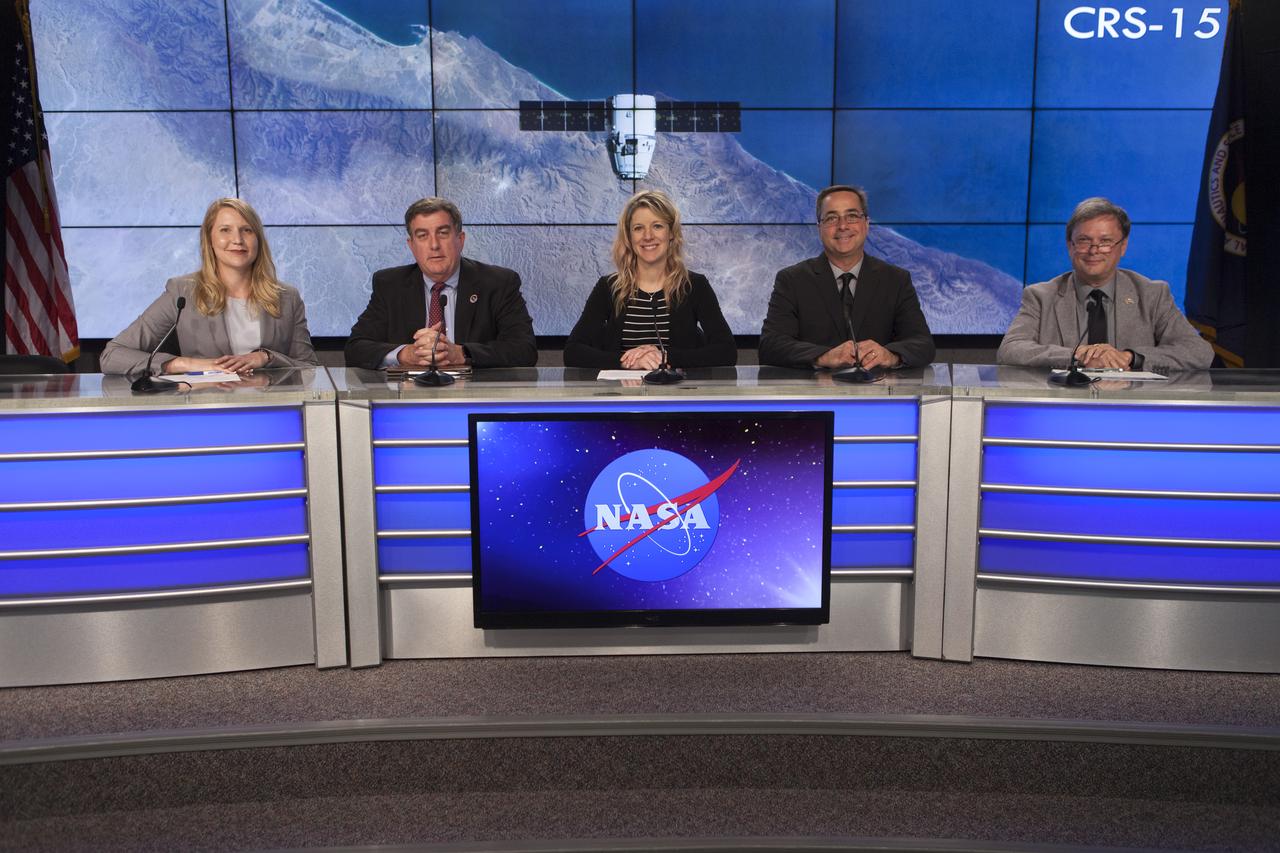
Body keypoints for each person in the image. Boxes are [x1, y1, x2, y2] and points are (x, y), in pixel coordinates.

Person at [101, 198, 317, 376]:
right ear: (210, 240)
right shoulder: (182, 292)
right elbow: (112, 355)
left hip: (272, 413)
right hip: (208, 411)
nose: (237, 239)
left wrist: (265, 358)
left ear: (258, 239)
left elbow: (309, 368)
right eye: (225, 230)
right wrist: (185, 364)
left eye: (247, 230)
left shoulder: (288, 297)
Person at [997, 197, 1212, 372]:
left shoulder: (1152, 294)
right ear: (1070, 246)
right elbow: (1010, 350)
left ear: (1123, 246)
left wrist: (1131, 357)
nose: (1094, 250)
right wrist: (1078, 355)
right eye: (1084, 241)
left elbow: (1198, 351)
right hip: (1062, 409)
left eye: (1106, 242)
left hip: (1132, 410)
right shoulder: (1041, 296)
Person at [344, 197, 537, 370]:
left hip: (475, 398)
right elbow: (356, 349)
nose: (434, 245)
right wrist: (407, 354)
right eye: (422, 236)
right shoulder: (390, 285)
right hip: (409, 401)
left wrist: (460, 354)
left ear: (460, 240)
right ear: (411, 246)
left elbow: (524, 349)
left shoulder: (498, 283)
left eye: (443, 233)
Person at [758, 185, 934, 370]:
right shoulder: (792, 280)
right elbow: (770, 346)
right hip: (814, 396)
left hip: (879, 395)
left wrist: (890, 356)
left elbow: (923, 344)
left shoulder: (896, 280)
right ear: (820, 228)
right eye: (832, 218)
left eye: (852, 216)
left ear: (866, 223)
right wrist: (824, 357)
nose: (842, 226)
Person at [564, 190, 735, 370]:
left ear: (671, 233)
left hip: (677, 393)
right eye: (638, 228)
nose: (648, 236)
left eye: (657, 226)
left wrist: (666, 357)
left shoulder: (694, 286)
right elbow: (573, 352)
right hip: (622, 395)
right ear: (629, 237)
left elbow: (726, 351)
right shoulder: (609, 287)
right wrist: (628, 361)